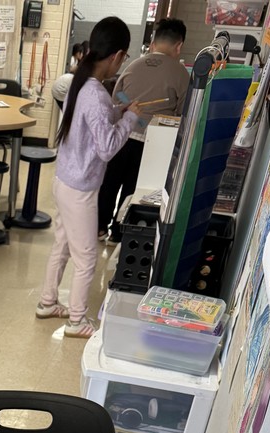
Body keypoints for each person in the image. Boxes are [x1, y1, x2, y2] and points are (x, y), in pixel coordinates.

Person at [35, 17, 141, 337]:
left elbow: (97, 122)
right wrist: (132, 117)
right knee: (86, 260)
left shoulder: (80, 82)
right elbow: (107, 146)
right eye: (124, 58)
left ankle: (47, 302)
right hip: (79, 188)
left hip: (64, 179)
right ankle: (77, 321)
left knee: (63, 247)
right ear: (118, 55)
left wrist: (121, 110)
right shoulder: (94, 92)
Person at [97, 18, 190, 241]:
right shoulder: (181, 74)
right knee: (134, 189)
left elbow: (116, 97)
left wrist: (134, 115)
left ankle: (99, 228)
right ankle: (119, 233)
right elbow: (182, 113)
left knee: (110, 184)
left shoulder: (132, 66)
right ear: (179, 46)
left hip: (122, 136)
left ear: (153, 42)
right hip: (154, 144)